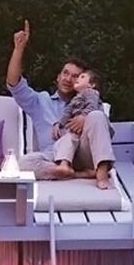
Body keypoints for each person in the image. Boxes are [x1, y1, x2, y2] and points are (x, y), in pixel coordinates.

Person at [6, 19, 115, 188]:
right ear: (58, 77)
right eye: (65, 73)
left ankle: (90, 173)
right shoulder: (41, 101)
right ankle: (76, 174)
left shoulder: (89, 101)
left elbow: (104, 130)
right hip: (52, 157)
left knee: (97, 116)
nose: (68, 79)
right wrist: (19, 49)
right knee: (23, 163)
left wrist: (85, 118)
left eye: (76, 76)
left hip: (83, 155)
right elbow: (14, 84)